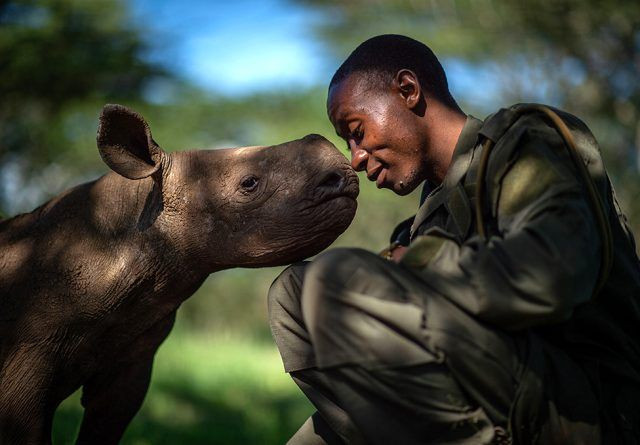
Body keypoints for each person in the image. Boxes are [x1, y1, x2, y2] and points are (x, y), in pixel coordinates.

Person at [268, 34, 640, 444]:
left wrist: (418, 265)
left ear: (408, 90)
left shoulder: (526, 141)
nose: (355, 158)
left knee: (336, 278)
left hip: (583, 408)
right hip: (487, 396)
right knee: (291, 291)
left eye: (357, 131)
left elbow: (554, 275)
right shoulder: (421, 222)